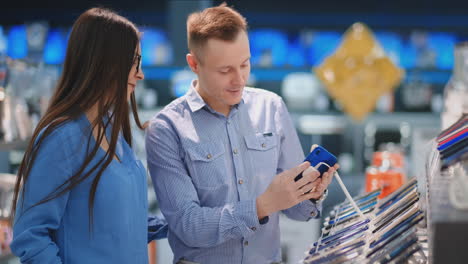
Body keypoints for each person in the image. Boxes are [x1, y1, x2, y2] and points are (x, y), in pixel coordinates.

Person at [145, 3, 338, 264]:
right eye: (225, 70)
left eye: (245, 65)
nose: (239, 80)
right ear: (194, 64)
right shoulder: (167, 129)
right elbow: (188, 226)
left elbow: (299, 212)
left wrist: (311, 192)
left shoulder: (271, 108)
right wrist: (262, 206)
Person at [10, 7, 167, 264]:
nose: (140, 74)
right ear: (103, 62)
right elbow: (31, 237)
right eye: (133, 62)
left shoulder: (112, 131)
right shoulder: (63, 138)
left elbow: (115, 223)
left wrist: (182, 223)